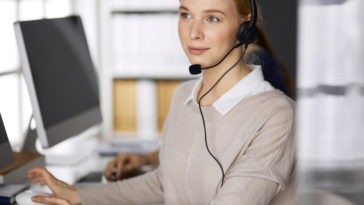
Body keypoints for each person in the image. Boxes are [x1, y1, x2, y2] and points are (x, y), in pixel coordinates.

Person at [28, 0, 296, 204]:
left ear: (244, 26)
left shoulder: (277, 115)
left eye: (212, 18)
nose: (194, 32)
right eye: (186, 15)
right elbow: (163, 183)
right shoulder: (184, 97)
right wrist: (79, 195)